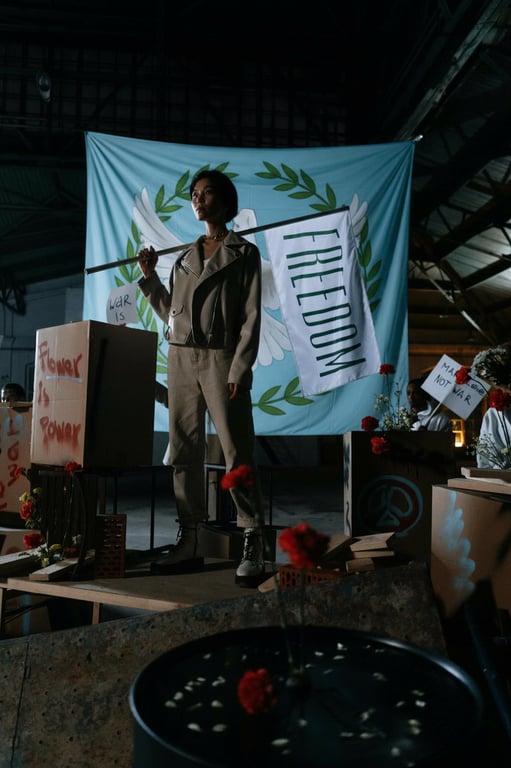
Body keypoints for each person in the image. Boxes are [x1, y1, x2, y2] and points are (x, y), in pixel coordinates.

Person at [137, 169, 265, 586]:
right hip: (180, 359)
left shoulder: (244, 253)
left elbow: (251, 317)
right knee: (183, 450)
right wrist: (151, 276)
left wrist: (239, 368)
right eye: (195, 194)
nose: (199, 200)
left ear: (226, 203)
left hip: (221, 357)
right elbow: (172, 316)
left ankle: (251, 536)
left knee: (235, 449)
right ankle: (189, 538)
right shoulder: (183, 258)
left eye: (208, 194)